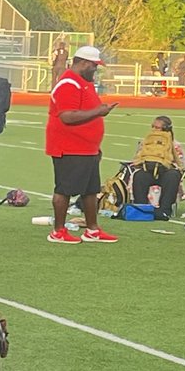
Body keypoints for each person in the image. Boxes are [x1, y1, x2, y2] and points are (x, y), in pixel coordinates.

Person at [46, 46, 118, 244]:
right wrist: (99, 112)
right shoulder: (69, 83)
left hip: (86, 147)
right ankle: (58, 231)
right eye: (94, 66)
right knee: (64, 189)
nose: (95, 70)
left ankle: (92, 229)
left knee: (90, 190)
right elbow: (67, 116)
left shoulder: (83, 83)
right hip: (69, 146)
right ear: (84, 63)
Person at [129, 115, 185, 220]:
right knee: (139, 176)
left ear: (166, 129)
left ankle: (164, 210)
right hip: (148, 170)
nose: (154, 130)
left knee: (173, 176)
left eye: (157, 127)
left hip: (166, 172)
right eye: (153, 127)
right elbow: (137, 158)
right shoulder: (146, 142)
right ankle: (141, 208)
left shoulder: (175, 145)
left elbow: (181, 163)